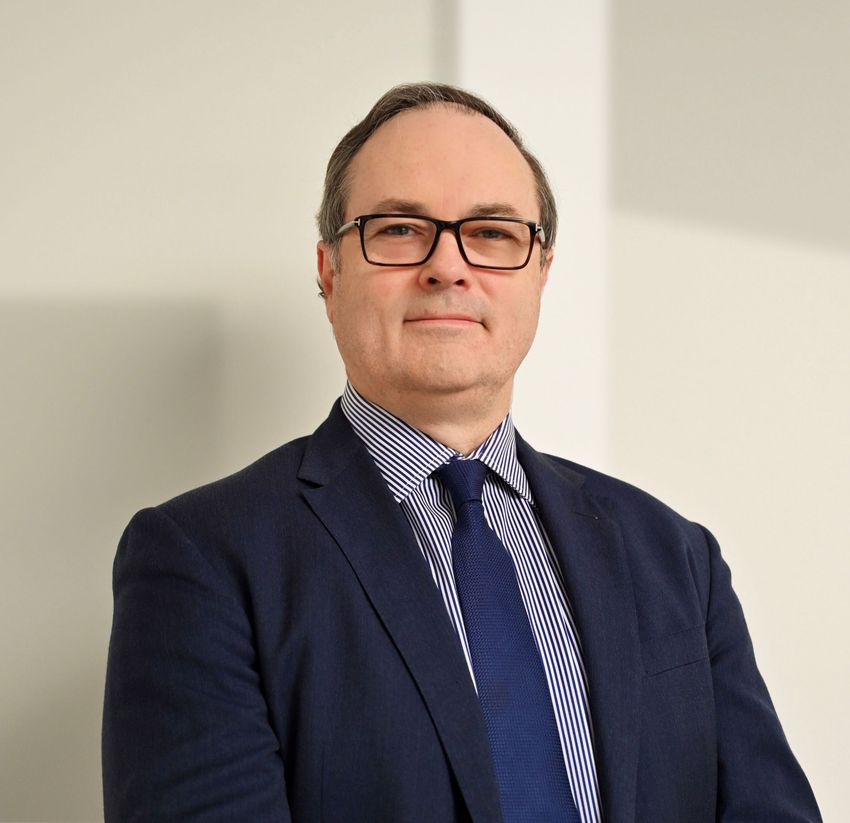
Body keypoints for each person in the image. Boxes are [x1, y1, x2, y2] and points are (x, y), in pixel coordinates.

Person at [102, 83, 821, 822]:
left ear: (542, 272)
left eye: (493, 233)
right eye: (400, 229)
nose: (448, 266)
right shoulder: (203, 561)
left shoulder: (676, 558)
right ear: (329, 269)